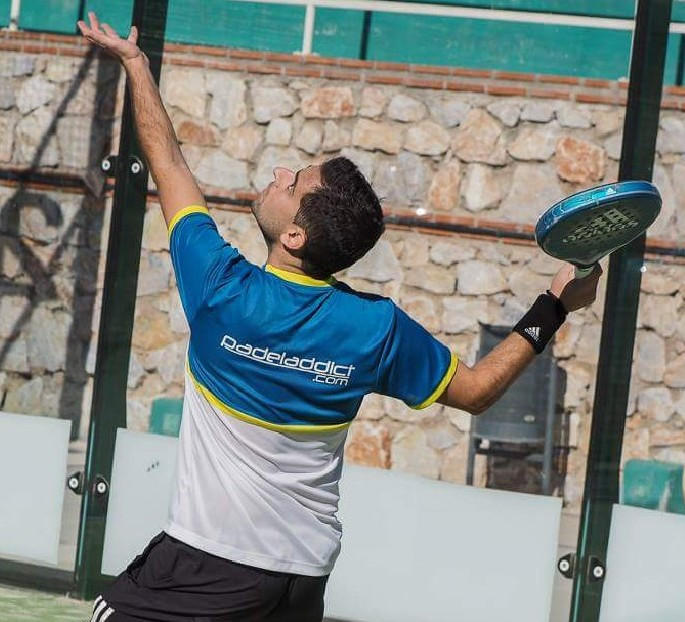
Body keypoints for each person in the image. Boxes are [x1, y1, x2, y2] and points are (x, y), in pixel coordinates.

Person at [78, 12, 601, 622]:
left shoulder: (221, 288)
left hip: (207, 562)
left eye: (293, 182)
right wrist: (554, 305)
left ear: (294, 236)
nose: (280, 173)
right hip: (301, 579)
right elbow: (478, 390)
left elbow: (168, 163)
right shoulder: (374, 327)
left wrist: (136, 65)